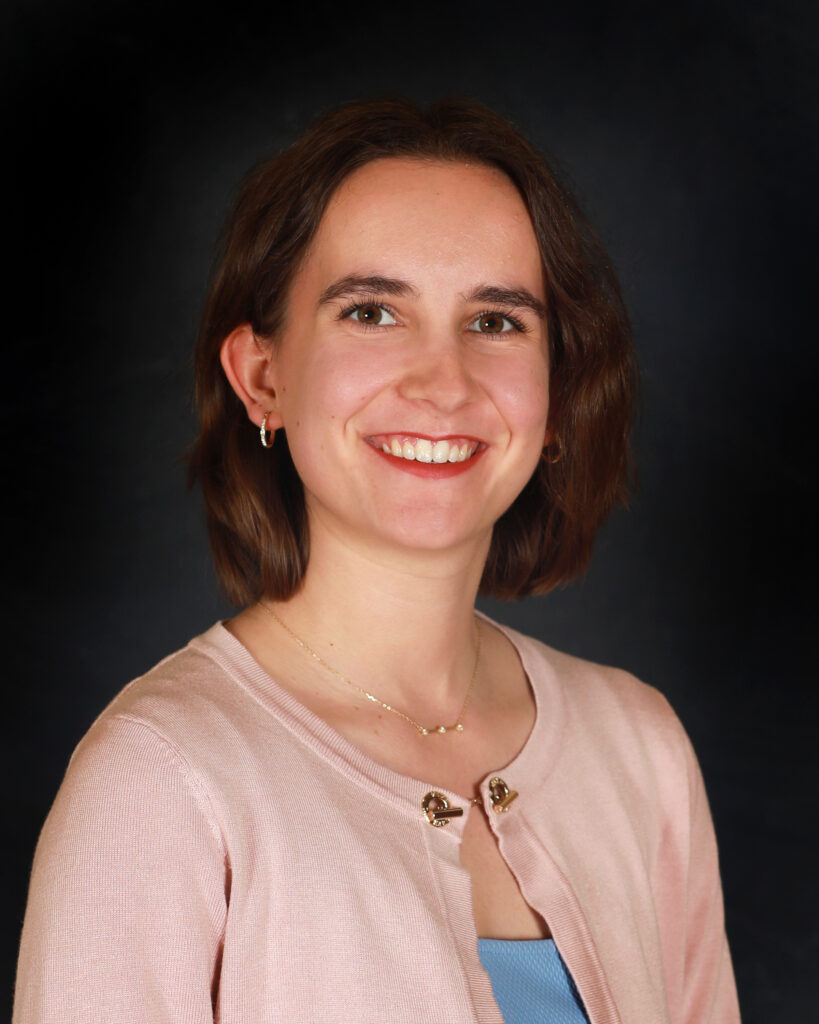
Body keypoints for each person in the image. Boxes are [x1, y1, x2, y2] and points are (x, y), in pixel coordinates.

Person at [13, 98, 740, 1023]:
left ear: (557, 395)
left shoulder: (641, 751)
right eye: (371, 311)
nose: (444, 382)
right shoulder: (162, 779)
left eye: (497, 322)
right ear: (262, 377)